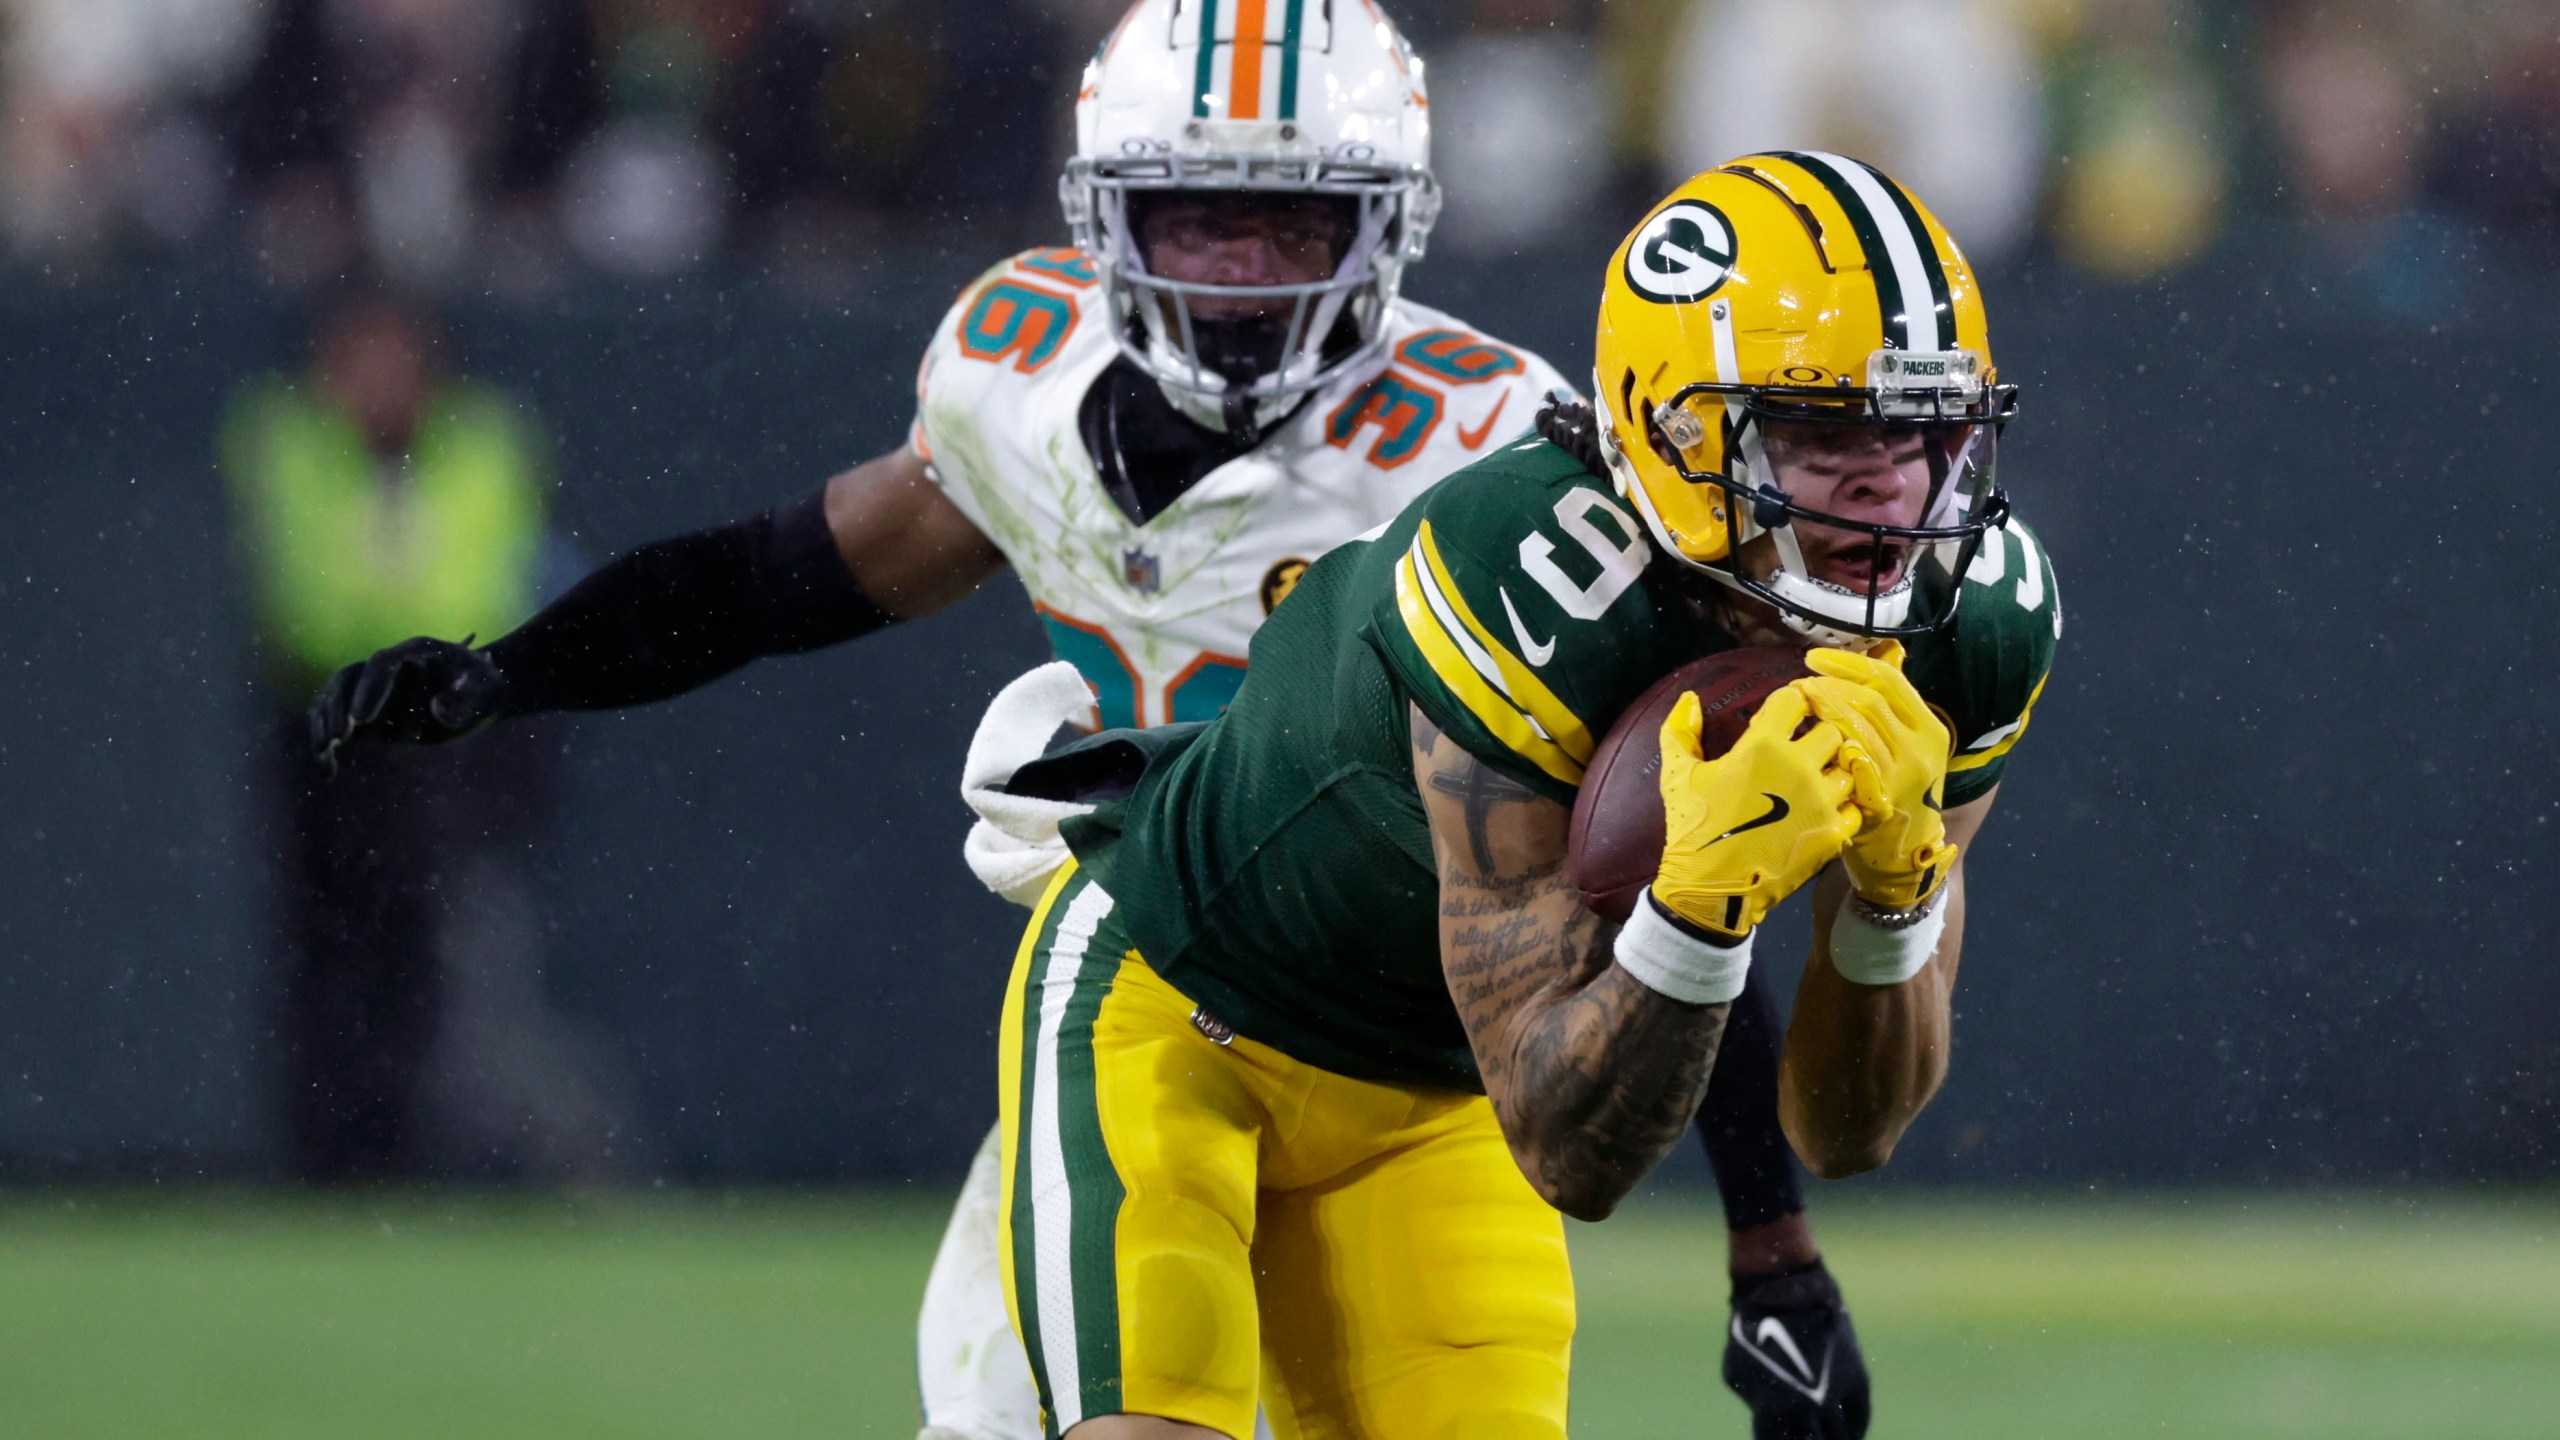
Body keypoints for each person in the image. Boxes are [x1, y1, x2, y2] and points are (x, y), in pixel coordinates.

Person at [978, 150, 2058, 1435]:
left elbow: (1847, 1128)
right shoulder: (1524, 576)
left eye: (1924, 431)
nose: (1891, 485)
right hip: (1178, 1004)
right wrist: (1694, 920)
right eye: (1822, 432)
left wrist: (1894, 908)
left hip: (1430, 1107)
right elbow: (1569, 1146)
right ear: (1672, 427)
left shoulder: (1976, 617)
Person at [224, 284, 560, 1180]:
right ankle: (330, 1162)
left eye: (396, 356)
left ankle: (434, 1162)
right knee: (321, 961)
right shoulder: (285, 438)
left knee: (448, 965)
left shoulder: (487, 441)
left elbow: (477, 602)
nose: (377, 381)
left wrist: (392, 637)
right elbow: (308, 609)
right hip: (327, 748)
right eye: (357, 357)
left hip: (454, 750)